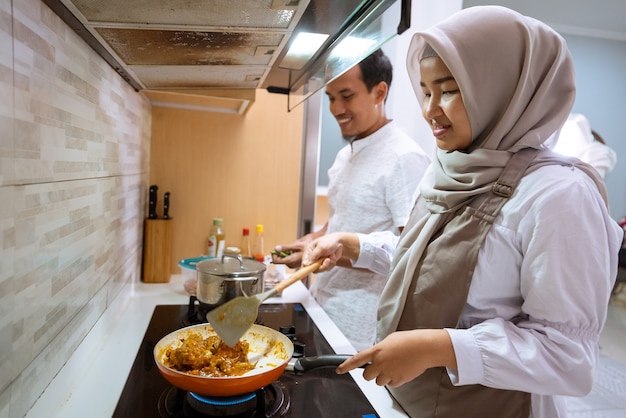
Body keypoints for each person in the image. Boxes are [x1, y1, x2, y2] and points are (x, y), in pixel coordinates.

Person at [300, 6, 624, 417]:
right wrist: (355, 246)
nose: (428, 109)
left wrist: (442, 347)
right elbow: (430, 259)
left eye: (448, 90)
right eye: (425, 90)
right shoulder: (452, 167)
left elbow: (567, 356)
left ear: (503, 88)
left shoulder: (560, 195)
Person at [272, 49, 430, 351]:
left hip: (362, 328)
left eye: (346, 95)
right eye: (331, 97)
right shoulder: (346, 155)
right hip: (324, 308)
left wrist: (338, 246)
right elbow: (343, 218)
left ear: (379, 91)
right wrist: (311, 243)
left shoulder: (405, 158)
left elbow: (411, 253)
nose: (336, 108)